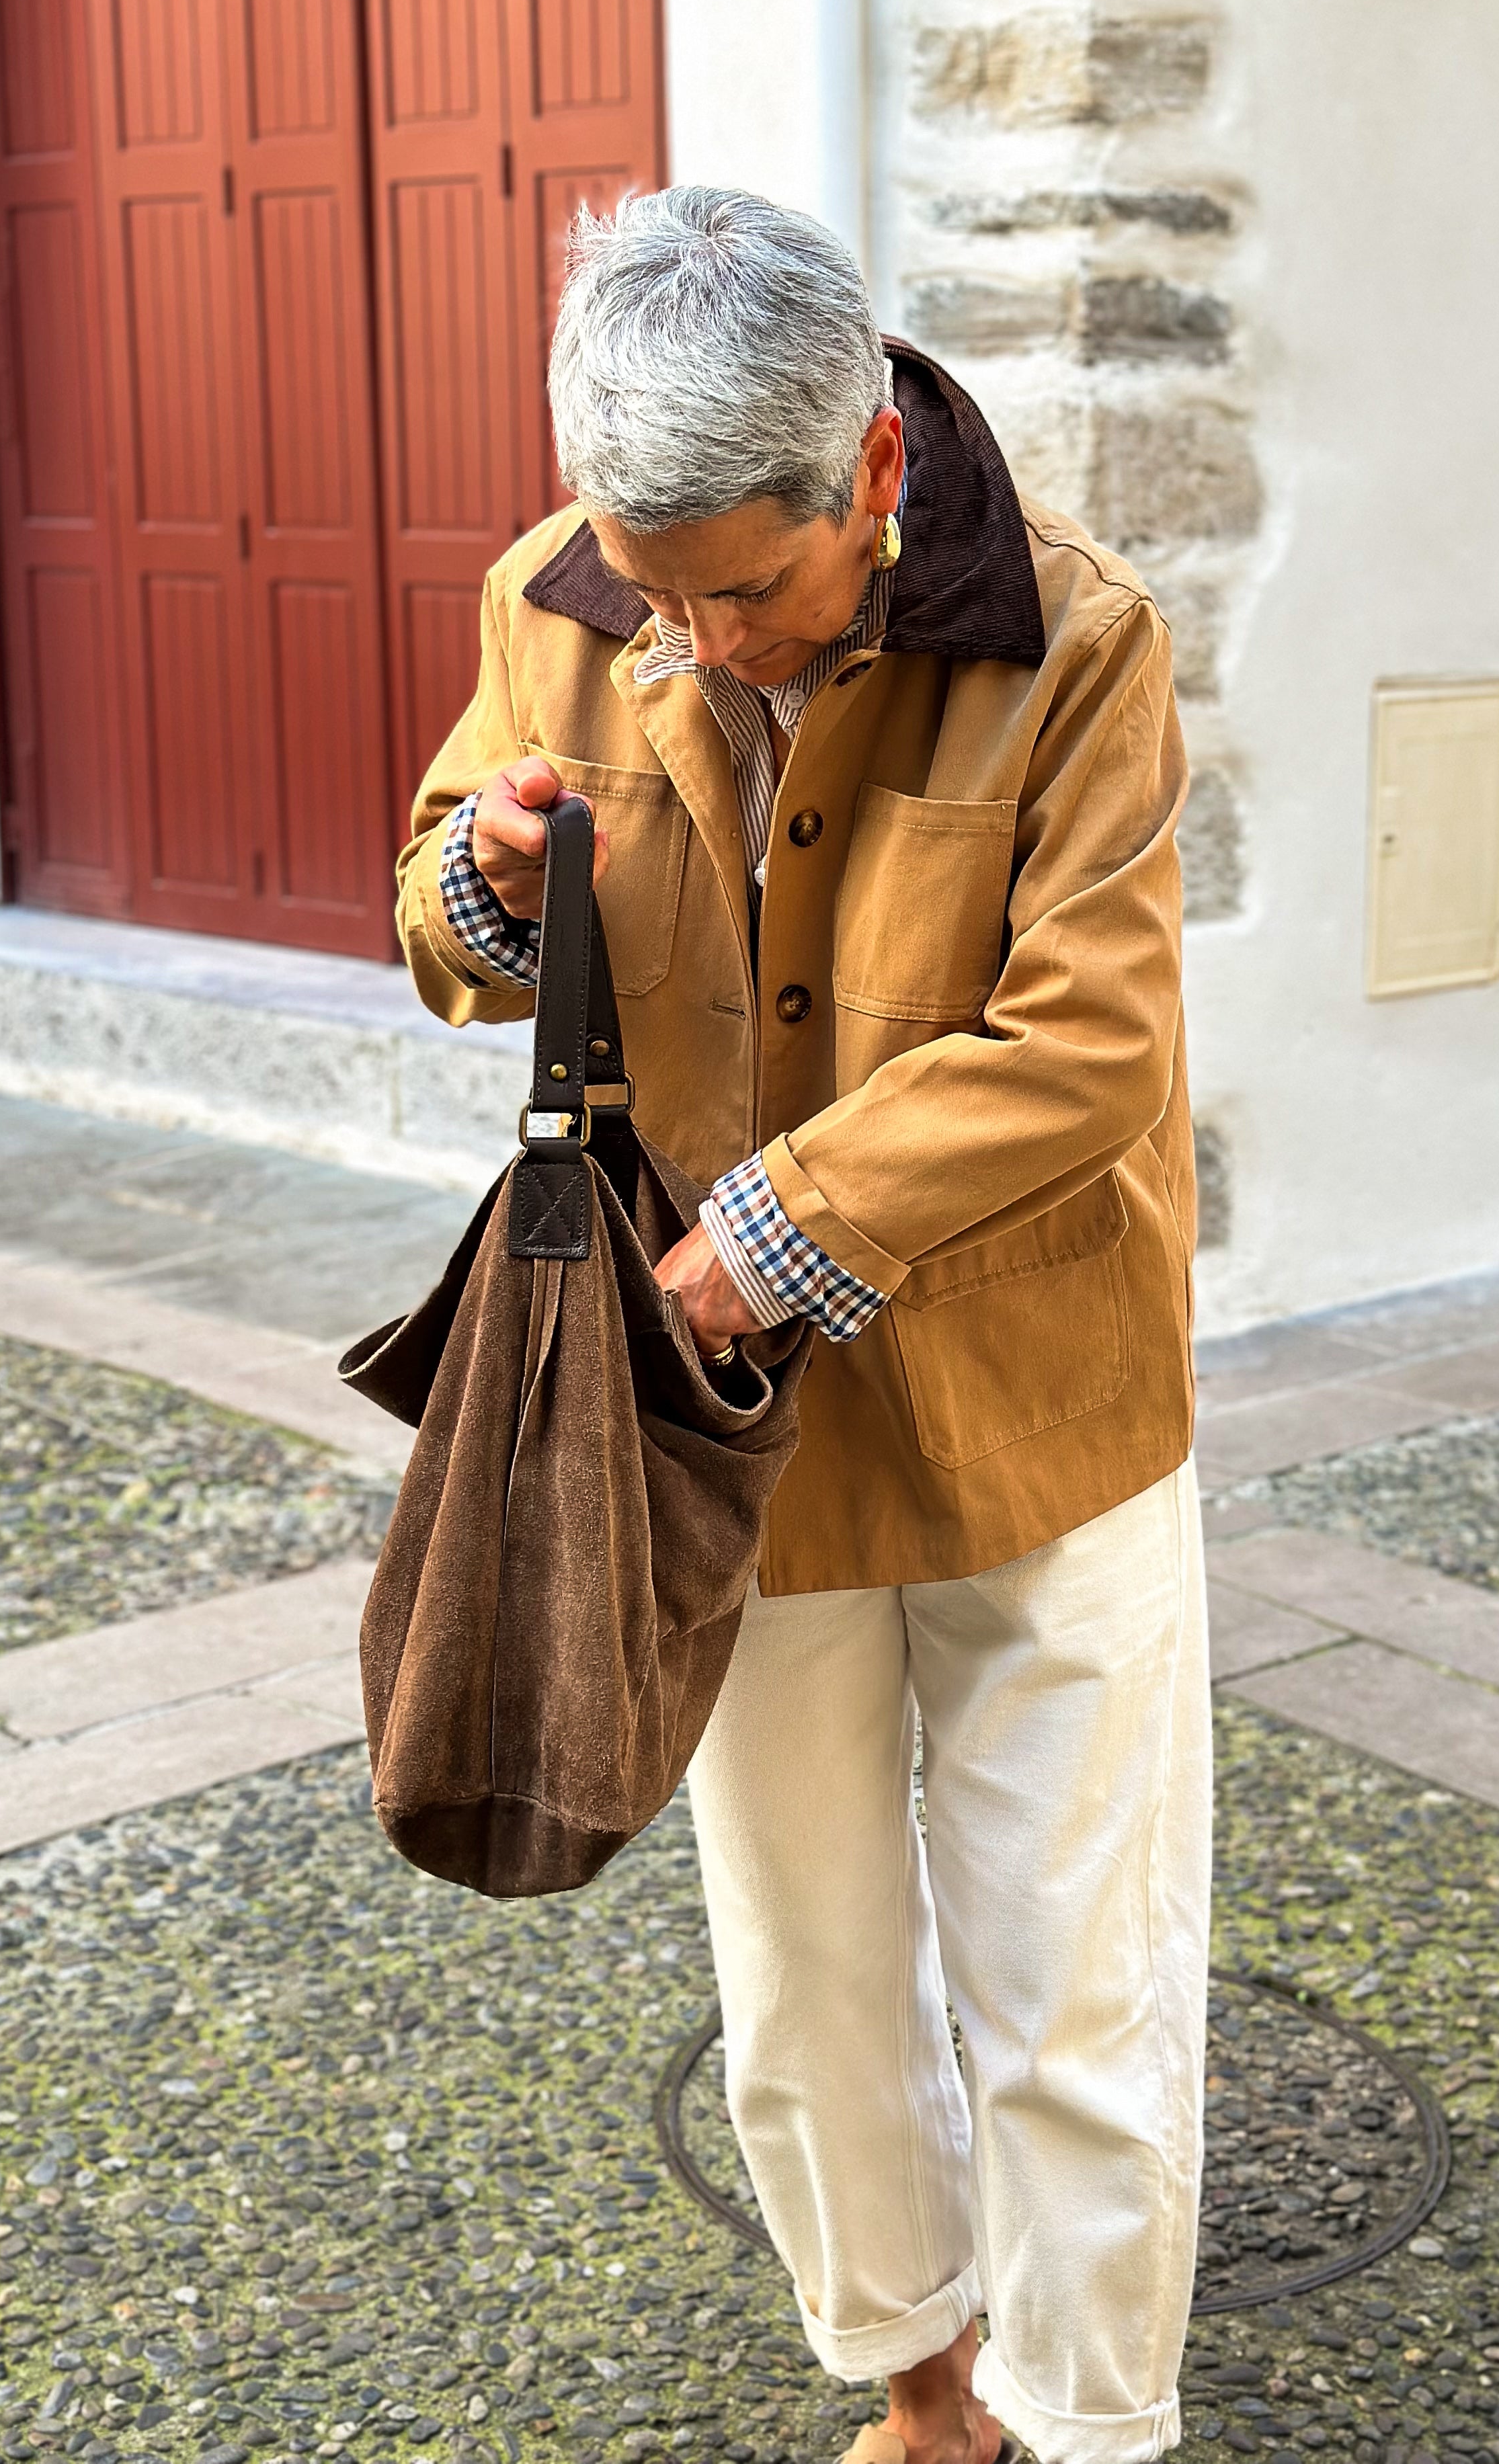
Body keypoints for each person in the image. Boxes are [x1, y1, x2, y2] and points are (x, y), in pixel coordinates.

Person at [397, 188, 1210, 2464]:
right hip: (716, 1430)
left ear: (870, 468)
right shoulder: (569, 596)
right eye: (654, 593)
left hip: (1042, 1409)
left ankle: (1090, 2428)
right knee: (807, 1966)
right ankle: (924, 2384)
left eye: (744, 588)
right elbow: (446, 893)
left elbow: (1092, 1046)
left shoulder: (1081, 633)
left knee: (1076, 1980)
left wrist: (769, 1229)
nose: (696, 639)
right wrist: (485, 880)